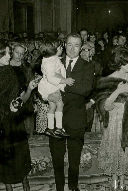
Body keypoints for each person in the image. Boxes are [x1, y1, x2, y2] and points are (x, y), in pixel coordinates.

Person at [0, 42, 39, 191]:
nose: (9, 56)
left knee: (20, 154)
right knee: (3, 156)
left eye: (8, 52)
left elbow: (21, 99)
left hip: (15, 120)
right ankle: (9, 187)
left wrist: (29, 90)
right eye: (6, 53)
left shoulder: (11, 72)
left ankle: (25, 182)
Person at [94, 47, 128, 190]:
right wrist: (119, 90)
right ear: (119, 63)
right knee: (115, 150)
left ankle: (123, 180)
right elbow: (105, 106)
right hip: (114, 122)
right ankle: (113, 179)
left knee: (126, 151)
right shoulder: (107, 80)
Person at [49, 33, 95, 191]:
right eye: (69, 44)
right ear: (64, 45)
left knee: (74, 159)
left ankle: (73, 186)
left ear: (81, 47)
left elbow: (85, 89)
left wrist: (60, 83)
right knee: (57, 158)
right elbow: (45, 82)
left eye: (76, 45)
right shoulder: (54, 62)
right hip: (56, 119)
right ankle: (60, 187)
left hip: (76, 118)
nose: (73, 48)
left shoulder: (88, 65)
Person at [38, 38, 74, 138]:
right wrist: (65, 81)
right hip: (51, 88)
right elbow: (51, 78)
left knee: (52, 107)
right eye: (60, 47)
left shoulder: (50, 59)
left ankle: (50, 128)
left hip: (48, 88)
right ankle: (58, 128)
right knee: (60, 104)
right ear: (54, 50)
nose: (62, 48)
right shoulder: (51, 62)